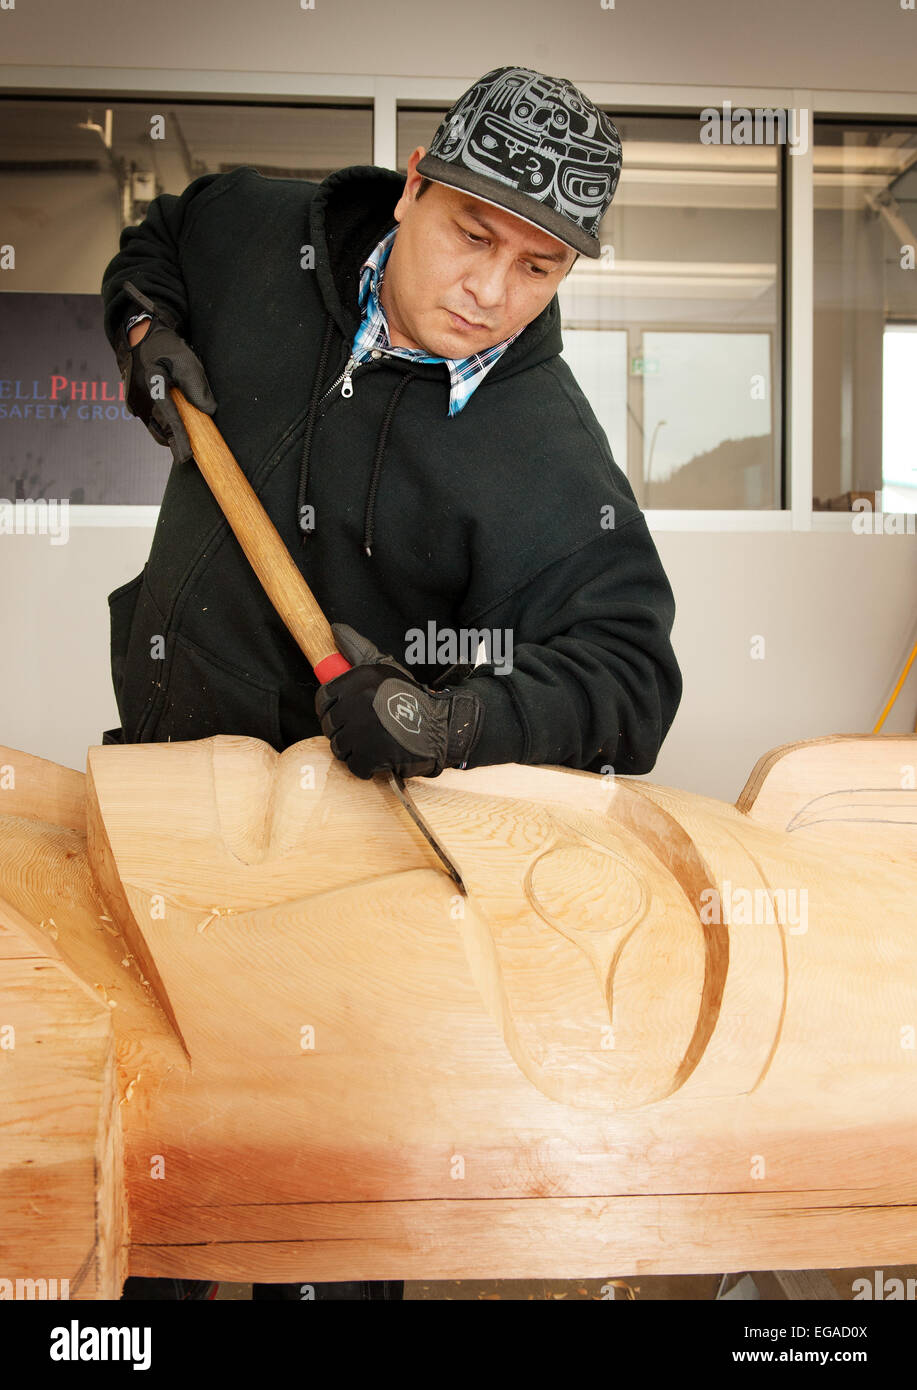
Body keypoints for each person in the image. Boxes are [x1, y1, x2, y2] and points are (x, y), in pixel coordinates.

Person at [101, 65, 683, 1300]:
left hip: (347, 884)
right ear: (415, 182)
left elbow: (627, 674)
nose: (489, 294)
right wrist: (144, 334)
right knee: (152, 1192)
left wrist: (448, 714)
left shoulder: (543, 452)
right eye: (473, 236)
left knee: (325, 1230)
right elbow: (157, 244)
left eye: (539, 269)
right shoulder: (259, 228)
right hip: (155, 803)